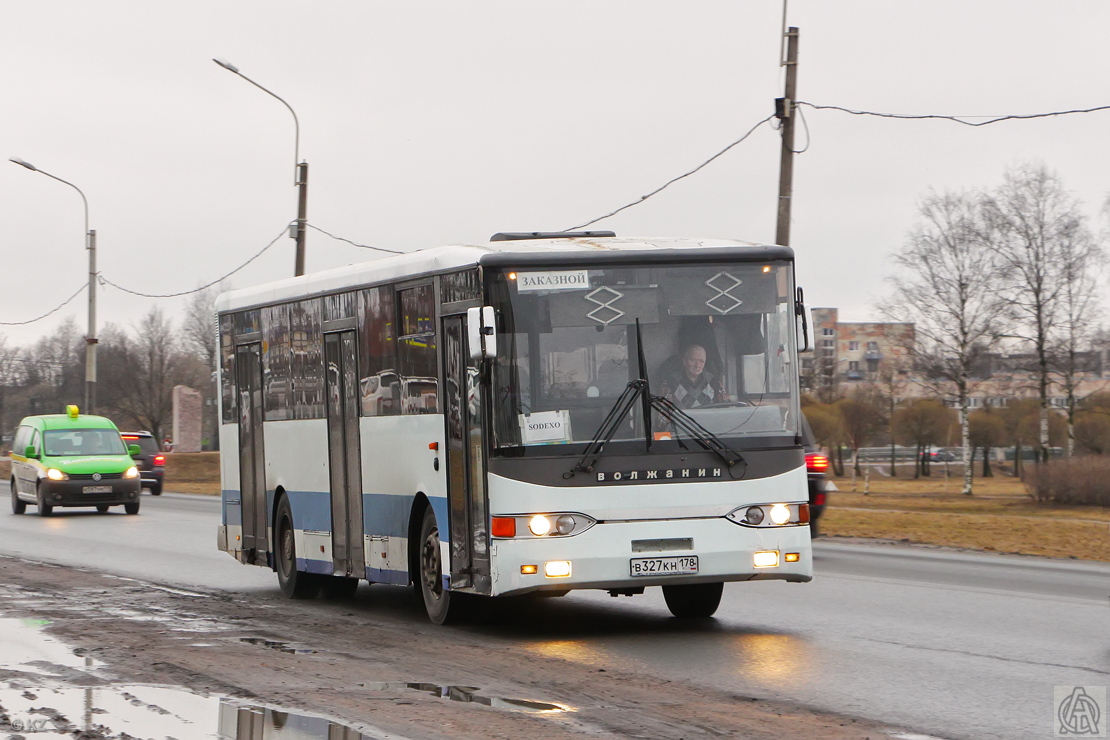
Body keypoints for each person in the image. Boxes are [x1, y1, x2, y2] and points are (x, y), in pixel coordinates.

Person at [660, 344, 723, 409]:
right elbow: (663, 412)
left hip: (708, 419)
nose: (697, 365)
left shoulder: (714, 381)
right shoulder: (671, 381)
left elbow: (725, 407)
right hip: (682, 419)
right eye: (693, 360)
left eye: (701, 361)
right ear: (684, 361)